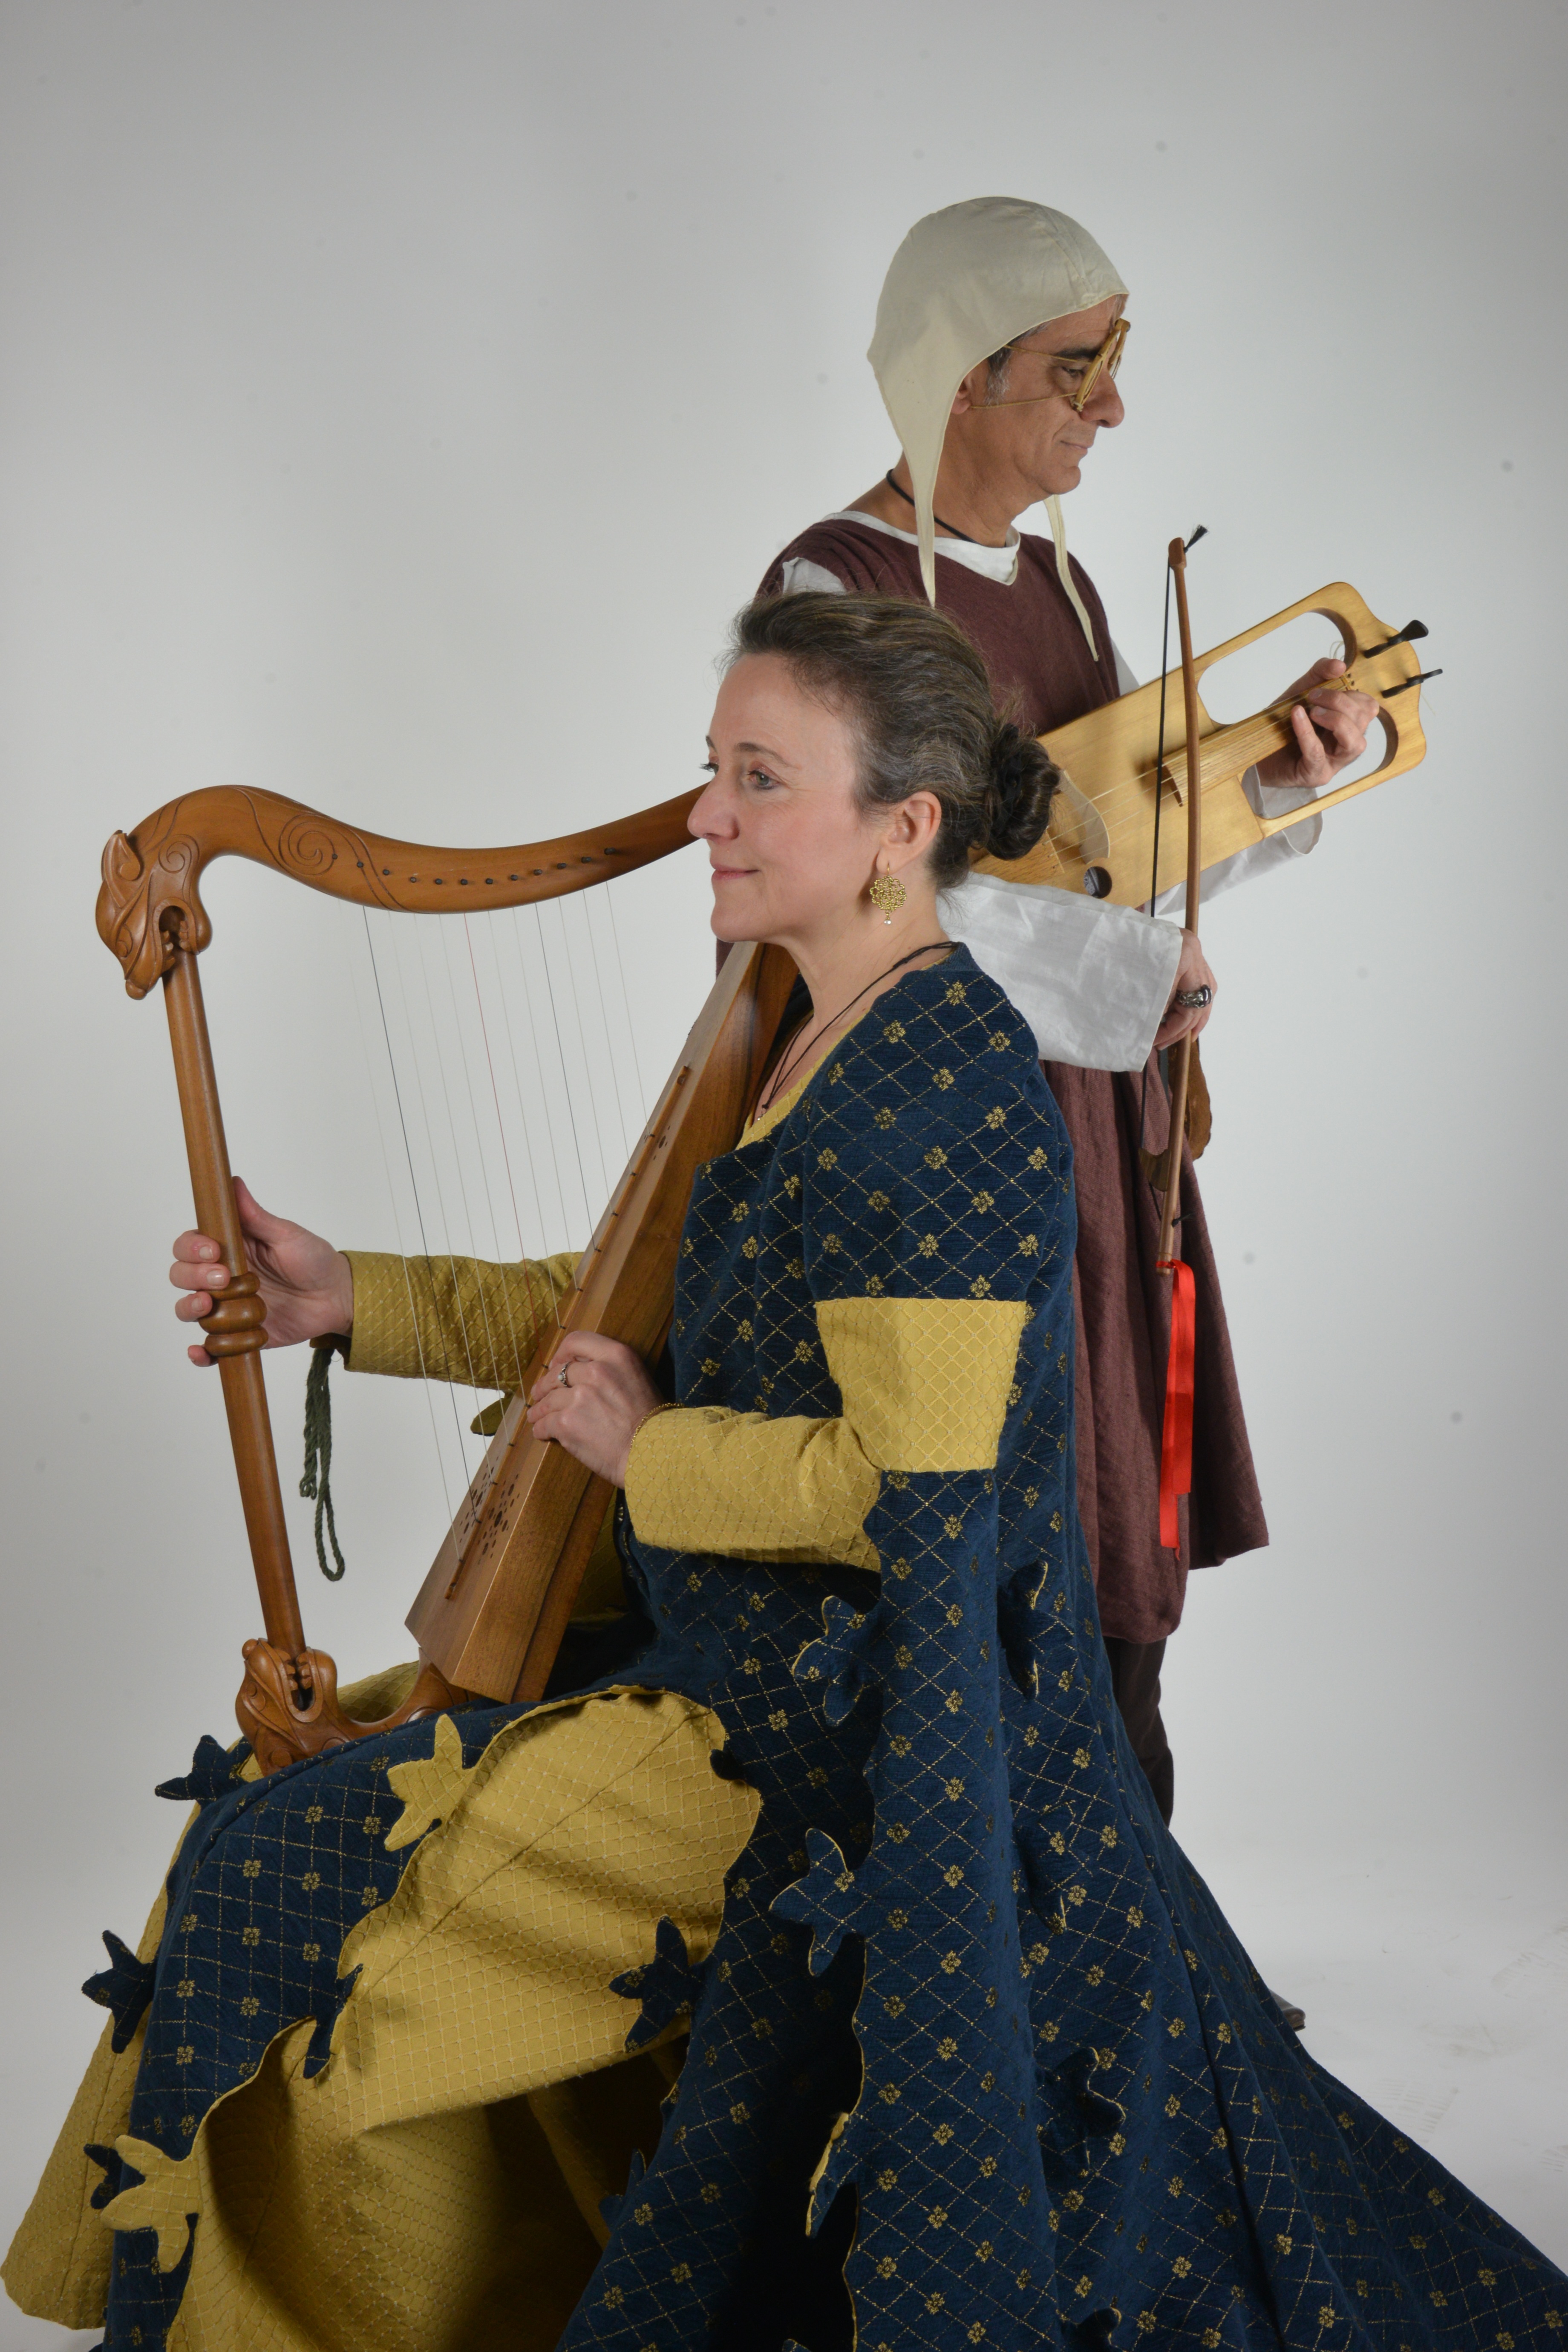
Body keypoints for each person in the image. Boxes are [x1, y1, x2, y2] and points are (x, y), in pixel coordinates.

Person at [7, 594, 1562, 2352]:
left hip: (831, 1741)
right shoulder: (812, 1032)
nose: (704, 816)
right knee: (259, 1817)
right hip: (721, 1661)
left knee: (295, 1898)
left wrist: (649, 1452)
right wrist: (353, 1297)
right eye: (711, 771)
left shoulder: (944, 1087)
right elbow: (654, 1312)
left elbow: (919, 1498)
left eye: (759, 779)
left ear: (904, 827)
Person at [758, 197, 1382, 1836]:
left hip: (1095, 1136)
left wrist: (1276, 779)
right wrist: (1124, 976)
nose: (1111, 407)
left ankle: (1122, 1920)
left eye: (1113, 364)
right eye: (1076, 368)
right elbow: (860, 898)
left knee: (1114, 1531)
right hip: (927, 1142)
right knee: (972, 1532)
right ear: (962, 376)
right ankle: (975, 1920)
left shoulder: (1075, 591)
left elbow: (1117, 865)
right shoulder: (836, 587)